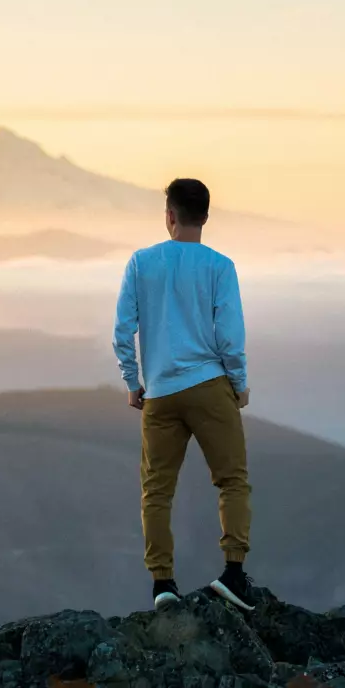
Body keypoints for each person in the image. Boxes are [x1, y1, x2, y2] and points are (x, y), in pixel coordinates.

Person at [112, 178, 256, 611]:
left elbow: (123, 331)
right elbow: (230, 336)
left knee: (156, 491)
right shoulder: (219, 266)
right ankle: (233, 572)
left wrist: (133, 381)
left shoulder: (141, 263)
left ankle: (162, 584)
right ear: (206, 216)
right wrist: (239, 383)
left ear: (169, 215)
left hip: (159, 393)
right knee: (231, 480)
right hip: (209, 385)